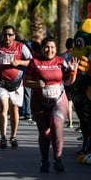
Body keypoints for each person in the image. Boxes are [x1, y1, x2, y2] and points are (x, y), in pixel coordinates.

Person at [24, 37, 78, 172]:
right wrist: (37, 84)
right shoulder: (34, 62)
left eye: (52, 47)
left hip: (58, 100)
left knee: (56, 125)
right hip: (39, 101)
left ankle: (58, 159)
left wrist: (73, 71)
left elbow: (69, 82)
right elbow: (26, 82)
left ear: (56, 49)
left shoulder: (61, 61)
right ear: (42, 49)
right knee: (44, 132)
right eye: (47, 47)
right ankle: (44, 160)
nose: (49, 50)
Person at [0, 25, 32, 149]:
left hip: (17, 83)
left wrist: (19, 62)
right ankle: (3, 137)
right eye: (5, 34)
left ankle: (14, 136)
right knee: (3, 108)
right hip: (0, 82)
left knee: (14, 110)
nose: (7, 37)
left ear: (14, 36)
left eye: (10, 34)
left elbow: (31, 61)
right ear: (2, 35)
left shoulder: (21, 47)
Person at [59, 38, 74, 128]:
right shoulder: (76, 55)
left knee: (68, 101)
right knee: (73, 101)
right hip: (74, 79)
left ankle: (70, 121)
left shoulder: (62, 56)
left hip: (65, 81)